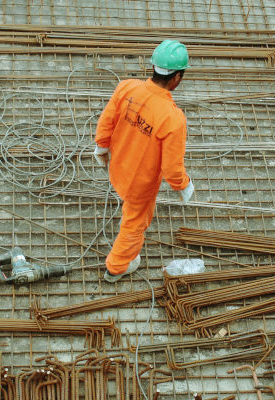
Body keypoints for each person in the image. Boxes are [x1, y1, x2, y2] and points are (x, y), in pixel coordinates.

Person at [93, 39, 195, 283]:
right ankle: (116, 267)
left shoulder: (127, 88)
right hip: (140, 184)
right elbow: (171, 168)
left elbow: (106, 121)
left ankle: (120, 261)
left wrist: (101, 147)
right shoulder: (173, 119)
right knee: (134, 224)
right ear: (177, 78)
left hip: (117, 167)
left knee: (129, 210)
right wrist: (183, 185)